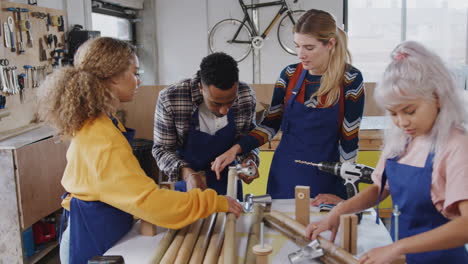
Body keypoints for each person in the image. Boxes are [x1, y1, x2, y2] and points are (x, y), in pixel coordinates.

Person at [38, 37, 242, 264]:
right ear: (114, 77)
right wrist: (214, 202)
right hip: (92, 239)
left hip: (101, 226)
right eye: (135, 73)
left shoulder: (101, 122)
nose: (138, 81)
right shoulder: (101, 138)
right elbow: (150, 203)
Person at [306, 41, 468, 264]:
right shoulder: (402, 140)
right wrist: (340, 211)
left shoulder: (456, 146)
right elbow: (379, 188)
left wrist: (397, 248)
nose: (402, 122)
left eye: (410, 111)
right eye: (393, 113)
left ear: (438, 98)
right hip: (404, 257)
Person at [211, 9, 365, 200]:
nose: (300, 54)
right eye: (297, 46)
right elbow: (269, 125)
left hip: (327, 177)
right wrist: (236, 149)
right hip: (285, 174)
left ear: (330, 44)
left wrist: (347, 186)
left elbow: (349, 137)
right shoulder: (289, 75)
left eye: (309, 47)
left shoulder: (350, 80)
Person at [152, 52, 260, 198]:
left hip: (228, 184)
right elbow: (162, 149)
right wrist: (188, 174)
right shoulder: (171, 98)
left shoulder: (245, 95)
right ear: (200, 88)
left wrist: (249, 161)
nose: (224, 110)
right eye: (216, 103)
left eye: (230, 101)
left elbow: (247, 140)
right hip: (187, 184)